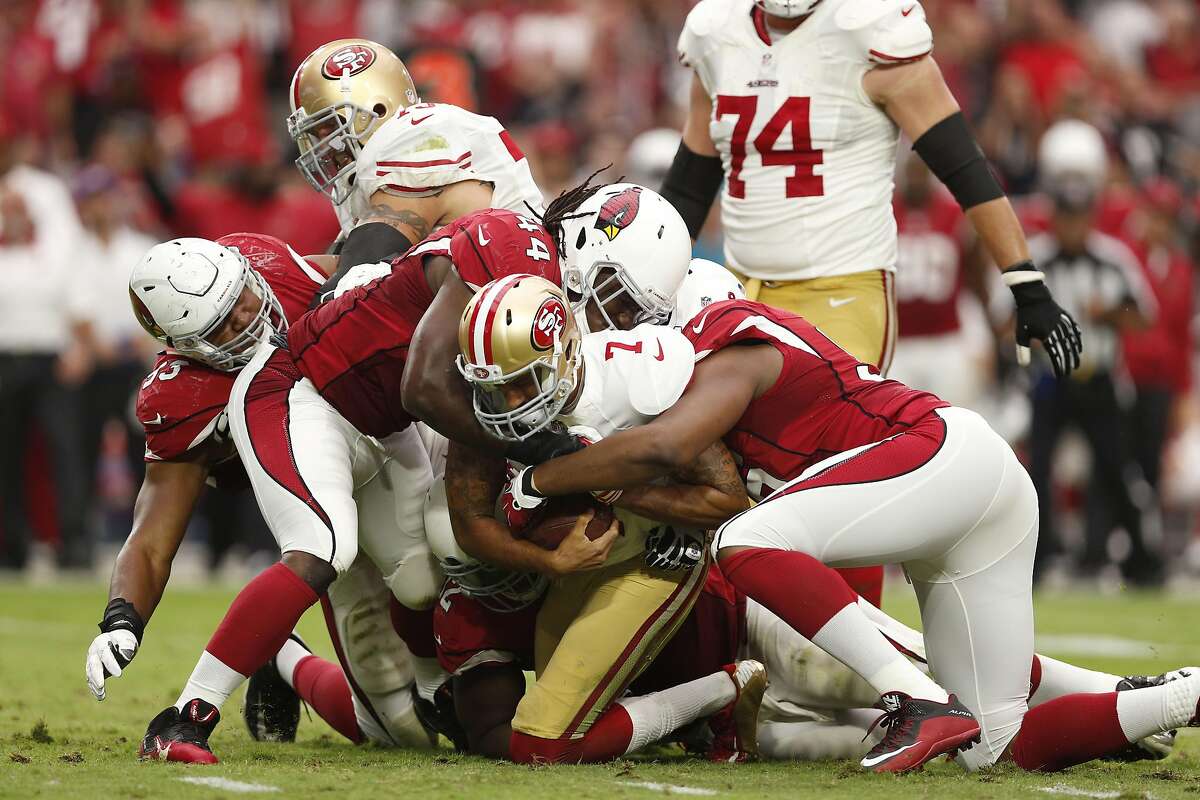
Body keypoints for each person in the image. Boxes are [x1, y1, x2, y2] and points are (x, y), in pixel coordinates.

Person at [509, 290, 1200, 773]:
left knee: (749, 542)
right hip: (964, 500)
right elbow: (701, 486)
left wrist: (540, 479)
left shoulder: (726, 346)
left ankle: (916, 699)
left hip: (943, 456)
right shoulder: (706, 363)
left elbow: (668, 448)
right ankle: (1175, 697)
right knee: (995, 746)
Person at [660, 0, 1082, 375]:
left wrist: (1026, 284)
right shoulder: (716, 33)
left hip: (842, 290)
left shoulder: (870, 30)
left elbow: (966, 171)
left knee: (814, 447)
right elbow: (690, 187)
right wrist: (650, 283)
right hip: (741, 287)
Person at [287, 38, 543, 293]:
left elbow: (351, 283)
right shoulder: (370, 178)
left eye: (330, 129)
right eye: (317, 136)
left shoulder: (413, 137)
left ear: (377, 107)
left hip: (517, 297)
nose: (327, 147)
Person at [1025, 180, 1160, 584]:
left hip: (1099, 379)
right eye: (1066, 217)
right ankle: (1038, 558)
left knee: (1117, 468)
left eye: (1079, 217)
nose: (1072, 226)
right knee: (1037, 472)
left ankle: (1138, 558)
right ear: (1055, 219)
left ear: (1091, 219)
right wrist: (1039, 330)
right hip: (1051, 379)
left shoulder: (1113, 258)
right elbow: (1004, 321)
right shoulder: (1034, 259)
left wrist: (1110, 314)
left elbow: (1143, 317)